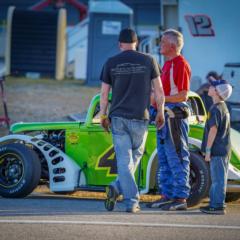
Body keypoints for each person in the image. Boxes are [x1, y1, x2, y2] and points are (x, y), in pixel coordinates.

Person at [100, 28, 165, 213]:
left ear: (120, 44)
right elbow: (159, 91)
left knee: (125, 161)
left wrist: (103, 115)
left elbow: (104, 94)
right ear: (136, 42)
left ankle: (118, 188)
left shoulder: (111, 62)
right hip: (140, 118)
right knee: (131, 160)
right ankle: (131, 200)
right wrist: (160, 112)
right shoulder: (149, 60)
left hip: (118, 118)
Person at [147, 29, 191, 211]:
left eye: (163, 42)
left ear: (172, 46)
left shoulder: (180, 64)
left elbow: (183, 95)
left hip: (173, 117)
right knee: (164, 158)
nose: (160, 45)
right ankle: (167, 195)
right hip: (163, 115)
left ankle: (180, 198)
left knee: (177, 157)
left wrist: (159, 99)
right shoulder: (166, 65)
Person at [200, 79, 232, 215]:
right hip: (223, 149)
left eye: (213, 86)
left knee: (217, 179)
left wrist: (207, 151)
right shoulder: (223, 107)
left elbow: (213, 131)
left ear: (218, 92)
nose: (210, 87)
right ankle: (216, 203)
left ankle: (217, 206)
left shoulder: (215, 109)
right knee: (219, 178)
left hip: (217, 150)